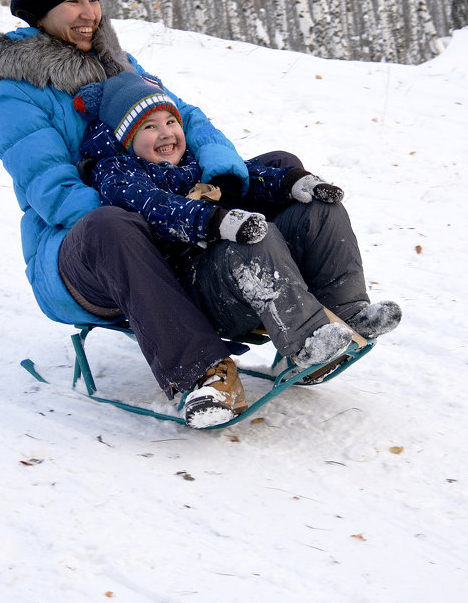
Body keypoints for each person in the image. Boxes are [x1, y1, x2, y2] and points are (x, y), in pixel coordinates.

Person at [0, 0, 284, 427]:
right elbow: (53, 190)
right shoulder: (15, 91)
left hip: (161, 220)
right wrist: (158, 217)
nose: (89, 13)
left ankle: (319, 323)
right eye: (72, 2)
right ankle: (204, 375)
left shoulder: (120, 65)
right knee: (112, 224)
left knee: (274, 171)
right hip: (79, 252)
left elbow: (188, 121)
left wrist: (221, 181)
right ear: (40, 14)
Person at [75, 71, 402, 426]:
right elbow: (157, 208)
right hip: (197, 289)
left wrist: (293, 183)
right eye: (150, 127)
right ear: (126, 139)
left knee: (322, 211)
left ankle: (347, 312)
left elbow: (247, 180)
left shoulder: (192, 163)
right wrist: (215, 221)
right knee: (254, 240)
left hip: (232, 274)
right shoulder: (119, 174)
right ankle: (306, 342)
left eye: (171, 121)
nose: (167, 132)